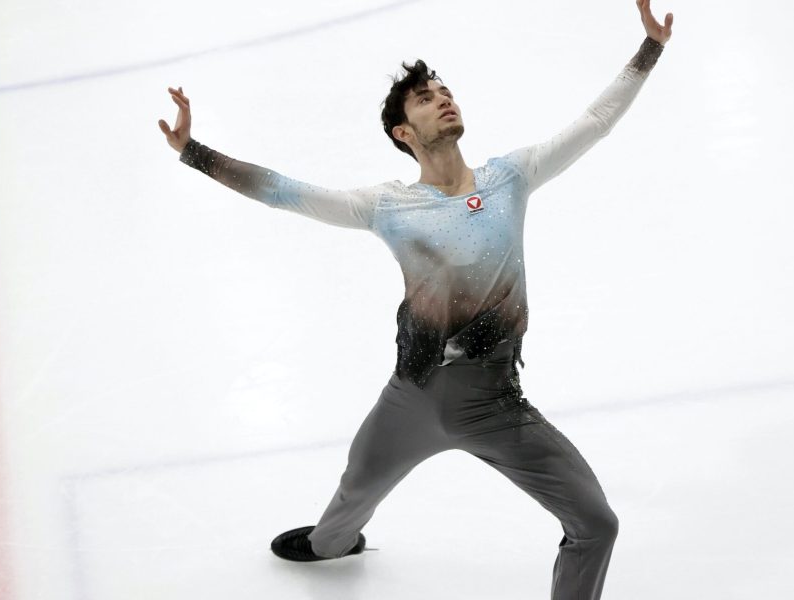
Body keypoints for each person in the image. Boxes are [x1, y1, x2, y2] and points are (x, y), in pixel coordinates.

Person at [158, 2, 671, 598]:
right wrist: (194, 152)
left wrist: (649, 49)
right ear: (404, 132)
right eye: (425, 97)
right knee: (355, 485)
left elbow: (595, 121)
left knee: (597, 524)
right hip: (411, 396)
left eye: (445, 90)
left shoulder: (513, 177)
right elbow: (284, 193)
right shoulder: (388, 206)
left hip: (496, 406)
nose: (442, 98)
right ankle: (332, 545)